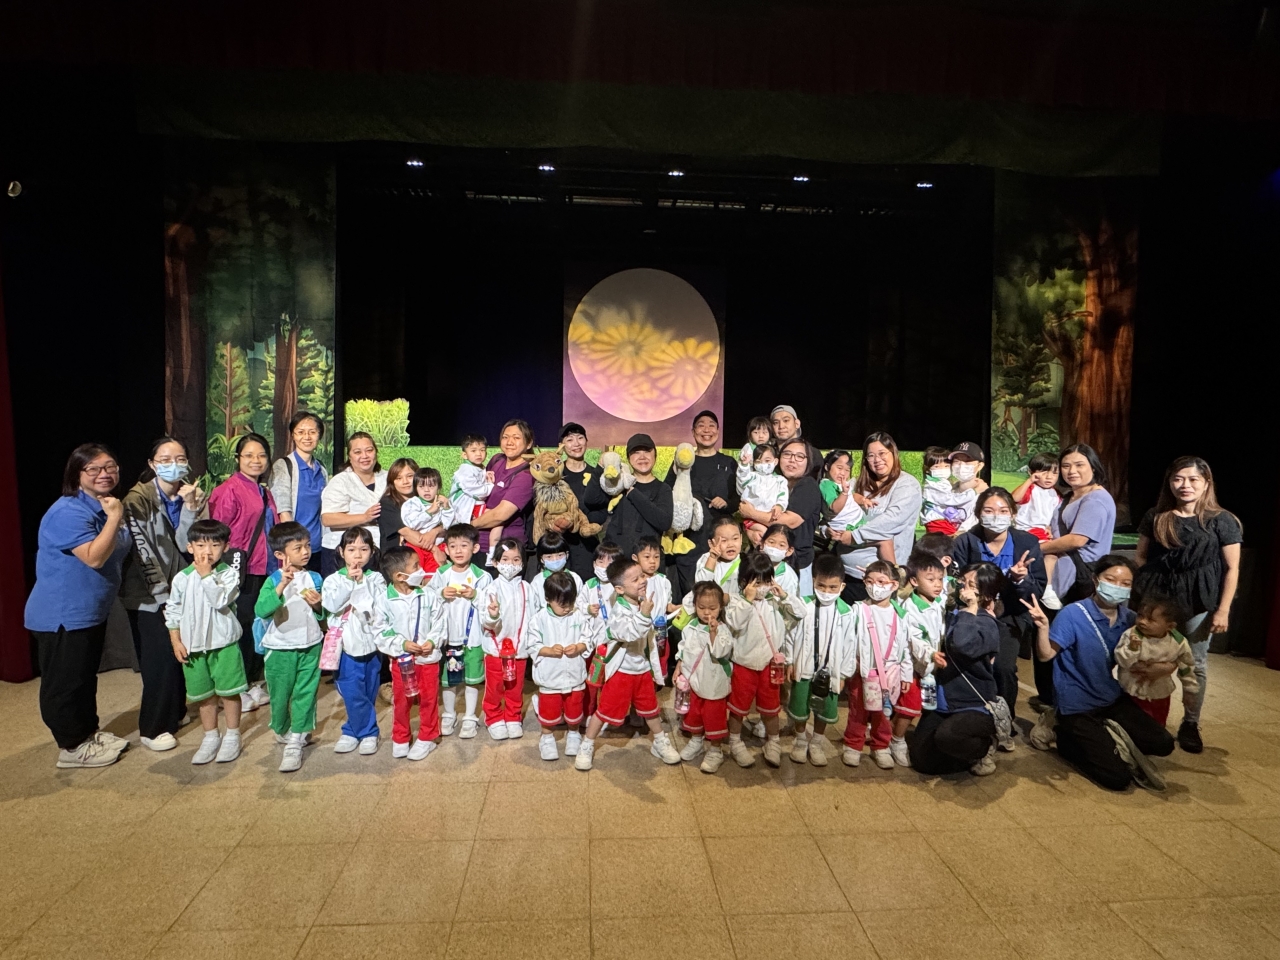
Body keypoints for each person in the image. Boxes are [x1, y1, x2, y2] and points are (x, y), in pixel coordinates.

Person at [1025, 556, 1175, 791]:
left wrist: (1169, 667)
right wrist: (1043, 628)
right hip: (1076, 704)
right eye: (1111, 580)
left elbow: (1167, 645)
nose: (1117, 586)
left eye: (1125, 583)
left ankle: (1104, 734)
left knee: (1163, 743)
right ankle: (1061, 732)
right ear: (1096, 580)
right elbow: (1046, 655)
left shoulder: (1130, 619)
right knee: (1117, 778)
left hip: (1110, 696)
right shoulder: (1073, 614)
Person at [25, 443, 133, 768]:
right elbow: (94, 557)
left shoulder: (103, 505)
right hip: (62, 614)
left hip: (89, 611)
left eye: (110, 466)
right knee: (65, 684)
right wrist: (115, 518)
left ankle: (88, 734)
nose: (104, 474)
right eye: (94, 469)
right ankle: (71, 747)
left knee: (85, 679)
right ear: (77, 474)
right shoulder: (68, 512)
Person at [1135, 455, 1241, 754]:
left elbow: (1232, 568)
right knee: (1149, 656)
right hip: (1158, 600)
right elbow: (1141, 556)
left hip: (1199, 602)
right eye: (1178, 479)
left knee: (1194, 664)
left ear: (1206, 483)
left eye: (1193, 479)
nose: (1185, 485)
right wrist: (1146, 592)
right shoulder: (1156, 516)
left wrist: (1223, 609)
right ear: (1169, 482)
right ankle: (1146, 718)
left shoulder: (1222, 520)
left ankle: (1191, 723)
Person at [121, 436, 208, 752]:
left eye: (180, 458)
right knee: (158, 658)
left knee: (179, 654)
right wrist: (163, 597)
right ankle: (153, 727)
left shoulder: (192, 494)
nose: (174, 465)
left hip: (181, 588)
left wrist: (191, 508)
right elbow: (143, 552)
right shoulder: (137, 499)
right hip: (149, 593)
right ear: (152, 464)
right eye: (165, 459)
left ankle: (176, 711)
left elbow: (189, 543)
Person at [573, 556, 681, 771]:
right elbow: (630, 634)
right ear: (620, 589)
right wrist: (645, 615)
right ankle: (587, 744)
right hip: (621, 672)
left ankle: (660, 741)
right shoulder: (618, 611)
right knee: (604, 710)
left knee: (651, 708)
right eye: (635, 579)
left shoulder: (641, 601)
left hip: (642, 669)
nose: (642, 581)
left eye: (642, 576)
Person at [948, 487, 1045, 723]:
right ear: (978, 513)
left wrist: (1020, 580)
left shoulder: (1027, 542)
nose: (996, 516)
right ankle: (969, 716)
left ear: (1013, 514)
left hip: (1009, 616)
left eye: (1003, 511)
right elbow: (953, 583)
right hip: (972, 614)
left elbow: (1037, 590)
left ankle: (1004, 721)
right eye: (989, 510)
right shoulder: (964, 542)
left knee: (1003, 668)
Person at [1033, 444, 1116, 709]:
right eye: (1066, 466)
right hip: (1060, 574)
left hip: (1080, 578)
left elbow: (1078, 539)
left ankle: (1072, 699)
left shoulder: (1096, 499)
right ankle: (1051, 696)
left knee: (1071, 637)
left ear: (1093, 466)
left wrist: (1037, 548)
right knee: (1050, 632)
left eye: (1079, 465)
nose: (1072, 471)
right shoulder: (1070, 496)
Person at [909, 563, 1003, 777]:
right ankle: (957, 755)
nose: (964, 588)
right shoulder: (953, 612)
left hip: (973, 704)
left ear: (986, 594)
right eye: (963, 581)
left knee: (948, 736)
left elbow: (962, 644)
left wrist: (971, 610)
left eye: (972, 585)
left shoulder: (987, 624)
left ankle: (984, 747)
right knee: (922, 761)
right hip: (944, 700)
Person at [163, 519, 246, 764]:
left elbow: (220, 600)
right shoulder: (181, 578)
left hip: (224, 643)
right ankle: (210, 736)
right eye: (200, 545)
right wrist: (176, 640)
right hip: (193, 647)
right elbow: (173, 609)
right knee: (203, 695)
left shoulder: (229, 574)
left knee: (229, 693)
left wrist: (207, 575)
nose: (207, 552)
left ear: (225, 547)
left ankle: (233, 735)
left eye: (215, 545)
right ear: (190, 547)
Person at [209, 432, 276, 713]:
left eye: (261, 455)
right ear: (238, 459)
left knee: (258, 623)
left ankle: (252, 681)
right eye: (248, 455)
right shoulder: (228, 490)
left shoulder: (263, 490)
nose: (255, 460)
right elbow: (216, 533)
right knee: (241, 625)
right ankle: (235, 688)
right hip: (241, 569)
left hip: (264, 567)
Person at [253, 521, 325, 773]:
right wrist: (281, 586)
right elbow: (261, 609)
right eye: (298, 548)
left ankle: (296, 739)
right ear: (280, 554)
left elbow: (322, 614)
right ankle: (282, 728)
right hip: (280, 648)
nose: (306, 552)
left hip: (310, 644)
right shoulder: (273, 579)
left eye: (307, 546)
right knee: (280, 694)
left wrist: (318, 605)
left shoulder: (315, 578)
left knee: (306, 692)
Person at [723, 552, 806, 768]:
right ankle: (735, 741)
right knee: (738, 707)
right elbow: (735, 623)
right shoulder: (736, 602)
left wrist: (784, 595)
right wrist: (747, 600)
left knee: (771, 707)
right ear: (744, 582)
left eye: (766, 581)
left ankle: (773, 741)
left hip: (771, 664)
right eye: (757, 583)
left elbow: (801, 612)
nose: (762, 588)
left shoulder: (774, 601)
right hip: (744, 664)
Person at [322, 526, 391, 756]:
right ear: (342, 552)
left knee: (369, 689)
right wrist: (350, 582)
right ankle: (368, 731)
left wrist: (362, 583)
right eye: (351, 549)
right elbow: (331, 605)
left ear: (372, 552)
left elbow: (379, 606)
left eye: (364, 549)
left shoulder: (376, 578)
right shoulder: (333, 580)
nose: (358, 555)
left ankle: (352, 730)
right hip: (345, 646)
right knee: (351, 691)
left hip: (371, 644)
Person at [786, 552, 858, 767]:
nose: (826, 592)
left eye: (832, 587)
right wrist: (789, 661)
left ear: (842, 586)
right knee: (800, 706)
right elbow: (790, 634)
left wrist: (843, 674)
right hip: (804, 665)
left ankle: (816, 742)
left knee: (824, 709)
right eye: (821, 586)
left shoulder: (846, 613)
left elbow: (849, 645)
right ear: (813, 582)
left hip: (830, 671)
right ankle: (800, 741)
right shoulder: (804, 606)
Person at [832, 432, 922, 602]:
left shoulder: (907, 485)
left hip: (881, 580)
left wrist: (854, 536)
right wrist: (829, 530)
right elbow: (834, 511)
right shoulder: (854, 484)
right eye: (871, 456)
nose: (877, 460)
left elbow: (891, 520)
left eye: (882, 453)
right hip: (847, 574)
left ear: (893, 453)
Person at [380, 546, 447, 760]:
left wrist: (432, 641)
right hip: (402, 661)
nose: (421, 570)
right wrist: (402, 644)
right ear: (399, 576)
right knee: (402, 700)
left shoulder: (427, 595)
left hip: (428, 659)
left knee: (429, 698)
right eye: (416, 566)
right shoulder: (384, 600)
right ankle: (401, 736)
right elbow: (380, 631)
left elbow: (439, 621)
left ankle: (428, 736)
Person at [662, 411, 739, 598]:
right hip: (689, 539)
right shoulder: (683, 462)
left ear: (718, 431)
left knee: (717, 594)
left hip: (720, 540)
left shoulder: (728, 462)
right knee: (692, 593)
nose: (706, 430)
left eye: (711, 425)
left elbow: (738, 500)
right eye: (701, 425)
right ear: (693, 432)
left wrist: (726, 503)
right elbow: (666, 492)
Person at [426, 524, 490, 739]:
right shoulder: (441, 574)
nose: (458, 550)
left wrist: (476, 595)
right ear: (446, 549)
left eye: (464, 545)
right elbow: (427, 598)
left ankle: (470, 716)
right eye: (453, 546)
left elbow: (490, 604)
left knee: (472, 678)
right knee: (449, 679)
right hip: (449, 637)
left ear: (475, 548)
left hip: (472, 638)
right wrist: (440, 593)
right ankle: (449, 714)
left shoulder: (482, 576)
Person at [846, 560, 912, 769]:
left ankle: (881, 746)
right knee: (858, 710)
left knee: (883, 712)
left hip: (890, 673)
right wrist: (851, 665)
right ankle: (853, 745)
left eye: (881, 581)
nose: (875, 586)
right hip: (863, 671)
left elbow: (906, 647)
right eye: (870, 581)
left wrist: (906, 674)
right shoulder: (858, 610)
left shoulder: (901, 615)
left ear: (894, 585)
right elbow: (849, 640)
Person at [527, 571, 598, 761]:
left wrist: (579, 647)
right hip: (549, 676)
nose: (567, 608)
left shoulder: (578, 616)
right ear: (548, 599)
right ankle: (547, 737)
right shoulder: (539, 619)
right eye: (562, 604)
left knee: (574, 707)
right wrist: (548, 650)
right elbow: (532, 644)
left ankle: (573, 733)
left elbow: (588, 638)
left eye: (570, 603)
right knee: (549, 709)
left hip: (574, 674)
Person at [739, 438, 823, 595]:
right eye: (787, 454)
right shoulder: (773, 482)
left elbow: (789, 521)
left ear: (808, 462)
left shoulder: (808, 486)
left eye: (799, 456)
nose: (792, 460)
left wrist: (751, 513)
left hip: (795, 563)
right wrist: (750, 530)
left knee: (791, 605)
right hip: (765, 562)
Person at [675, 581, 735, 774]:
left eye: (712, 608)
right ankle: (696, 740)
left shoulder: (723, 629)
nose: (706, 612)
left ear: (721, 607)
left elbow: (721, 652)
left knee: (713, 716)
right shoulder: (690, 626)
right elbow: (683, 648)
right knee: (694, 713)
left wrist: (713, 632)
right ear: (695, 605)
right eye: (701, 607)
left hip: (713, 682)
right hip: (693, 681)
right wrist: (679, 666)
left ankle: (716, 750)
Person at [1113, 593, 1199, 728]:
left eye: (1150, 619)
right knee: (1130, 724)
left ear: (1170, 626)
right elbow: (1122, 661)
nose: (1142, 621)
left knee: (1157, 725)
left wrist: (1189, 690)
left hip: (1159, 693)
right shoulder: (1132, 635)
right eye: (1140, 616)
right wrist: (1132, 648)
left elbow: (1186, 667)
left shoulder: (1178, 642)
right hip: (1131, 691)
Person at [479, 538, 535, 740]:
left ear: (522, 563)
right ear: (495, 562)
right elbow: (485, 622)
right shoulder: (490, 589)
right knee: (495, 686)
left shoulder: (527, 588)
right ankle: (494, 717)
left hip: (519, 649)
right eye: (505, 559)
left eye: (516, 559)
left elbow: (533, 617)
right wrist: (492, 615)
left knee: (515, 686)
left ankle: (513, 716)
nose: (510, 564)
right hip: (496, 650)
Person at [320, 431, 387, 576]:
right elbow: (328, 519)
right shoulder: (340, 481)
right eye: (357, 452)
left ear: (376, 452)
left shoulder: (387, 478)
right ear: (349, 457)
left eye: (369, 450)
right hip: (343, 553)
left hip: (380, 550)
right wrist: (365, 517)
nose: (365, 456)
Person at [268, 412, 329, 572]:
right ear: (293, 435)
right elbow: (283, 511)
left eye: (312, 432)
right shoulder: (284, 466)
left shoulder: (321, 468)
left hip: (317, 547)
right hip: (294, 550)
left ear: (319, 435)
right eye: (300, 432)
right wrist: (293, 548)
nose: (307, 437)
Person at [471, 419, 537, 561]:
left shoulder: (527, 474)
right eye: (505, 437)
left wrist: (468, 526)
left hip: (505, 550)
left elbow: (500, 514)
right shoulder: (497, 460)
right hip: (475, 544)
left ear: (529, 443)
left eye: (516, 438)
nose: (509, 442)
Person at [555, 423, 611, 580]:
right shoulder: (555, 475)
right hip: (561, 545)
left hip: (589, 544)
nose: (576, 444)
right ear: (561, 446)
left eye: (580, 438)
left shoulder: (596, 475)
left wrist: (583, 523)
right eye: (570, 440)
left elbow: (603, 511)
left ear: (586, 441)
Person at [607, 433, 675, 561]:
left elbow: (664, 522)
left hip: (648, 563)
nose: (642, 457)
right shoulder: (618, 485)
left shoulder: (663, 489)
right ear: (628, 458)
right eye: (636, 452)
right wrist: (600, 467)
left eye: (647, 451)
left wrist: (633, 493)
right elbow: (592, 501)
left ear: (655, 455)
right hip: (617, 561)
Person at [1011, 453, 1063, 605]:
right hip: (1025, 531)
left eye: (1054, 473)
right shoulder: (1030, 489)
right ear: (1032, 472)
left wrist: (1050, 528)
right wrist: (1029, 481)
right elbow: (1014, 499)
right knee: (1051, 554)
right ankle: (1047, 588)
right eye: (1044, 472)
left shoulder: (1055, 494)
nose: (1049, 477)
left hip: (1042, 532)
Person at [399, 466, 451, 572]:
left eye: (431, 486)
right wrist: (429, 511)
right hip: (415, 546)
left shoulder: (442, 503)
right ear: (415, 487)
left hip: (437, 546)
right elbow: (412, 524)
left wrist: (447, 508)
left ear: (439, 487)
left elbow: (449, 525)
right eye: (421, 486)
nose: (426, 490)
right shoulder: (411, 504)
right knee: (414, 574)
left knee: (434, 575)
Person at [736, 442, 787, 547]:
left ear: (775, 461)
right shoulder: (753, 477)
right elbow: (742, 478)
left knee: (770, 539)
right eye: (758, 462)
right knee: (765, 535)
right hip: (751, 519)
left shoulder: (780, 480)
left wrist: (779, 506)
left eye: (767, 461)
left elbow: (783, 495)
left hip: (770, 517)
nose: (763, 464)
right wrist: (744, 465)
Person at [920, 445, 979, 536]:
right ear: (927, 469)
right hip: (937, 522)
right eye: (937, 466)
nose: (942, 469)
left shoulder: (941, 483)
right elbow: (950, 499)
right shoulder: (932, 487)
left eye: (946, 466)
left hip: (942, 522)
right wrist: (973, 492)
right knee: (947, 541)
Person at [818, 449, 869, 551]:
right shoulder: (826, 485)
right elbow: (835, 508)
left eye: (847, 470)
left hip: (857, 521)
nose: (843, 473)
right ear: (827, 467)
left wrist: (863, 500)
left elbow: (852, 495)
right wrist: (844, 493)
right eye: (839, 468)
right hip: (848, 527)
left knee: (881, 541)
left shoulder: (841, 484)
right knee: (882, 542)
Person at [530, 530, 585, 612]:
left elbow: (581, 603)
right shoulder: (537, 581)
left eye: (560, 555)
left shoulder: (575, 578)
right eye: (549, 557)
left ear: (567, 555)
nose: (555, 560)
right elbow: (534, 606)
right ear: (541, 559)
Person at [448, 434, 494, 525]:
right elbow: (477, 492)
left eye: (482, 450)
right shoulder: (465, 471)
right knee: (493, 517)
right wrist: (490, 485)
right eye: (473, 450)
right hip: (464, 508)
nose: (478, 454)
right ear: (465, 455)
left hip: (473, 506)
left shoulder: (477, 467)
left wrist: (485, 476)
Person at [377, 457, 420, 550]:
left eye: (410, 476)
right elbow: (409, 534)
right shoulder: (387, 504)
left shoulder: (426, 500)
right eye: (399, 478)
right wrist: (434, 549)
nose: (405, 482)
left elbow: (445, 525)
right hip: (398, 556)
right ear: (392, 482)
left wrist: (435, 532)